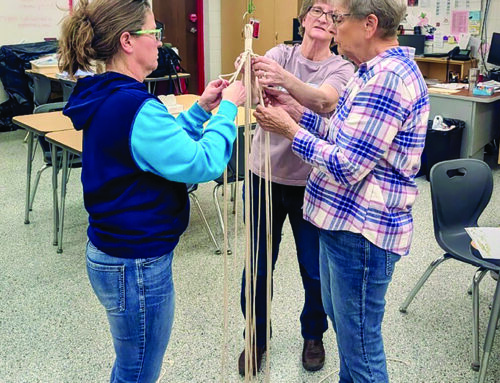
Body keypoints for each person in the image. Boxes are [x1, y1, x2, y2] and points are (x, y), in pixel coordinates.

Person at [58, 1, 245, 382]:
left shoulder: (110, 95)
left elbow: (163, 154)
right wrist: (228, 111)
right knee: (139, 370)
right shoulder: (134, 106)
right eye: (153, 33)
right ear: (128, 41)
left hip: (116, 255)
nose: (160, 43)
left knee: (132, 362)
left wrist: (201, 111)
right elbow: (203, 163)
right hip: (135, 264)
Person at [253, 0, 429, 381]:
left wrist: (289, 130)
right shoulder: (370, 73)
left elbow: (348, 166)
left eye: (338, 18)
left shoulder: (388, 79)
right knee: (351, 343)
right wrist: (295, 112)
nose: (332, 26)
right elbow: (343, 137)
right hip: (343, 226)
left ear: (368, 24)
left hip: (362, 235)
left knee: (361, 350)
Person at [237, 0, 354, 375]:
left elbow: (325, 101)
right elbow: (254, 95)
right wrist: (248, 76)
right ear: (302, 19)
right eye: (316, 10)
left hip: (312, 183)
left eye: (333, 14)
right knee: (257, 265)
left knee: (314, 268)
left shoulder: (341, 68)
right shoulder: (278, 53)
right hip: (263, 176)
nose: (323, 18)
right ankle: (255, 336)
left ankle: (314, 334)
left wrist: (285, 87)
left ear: (339, 27)